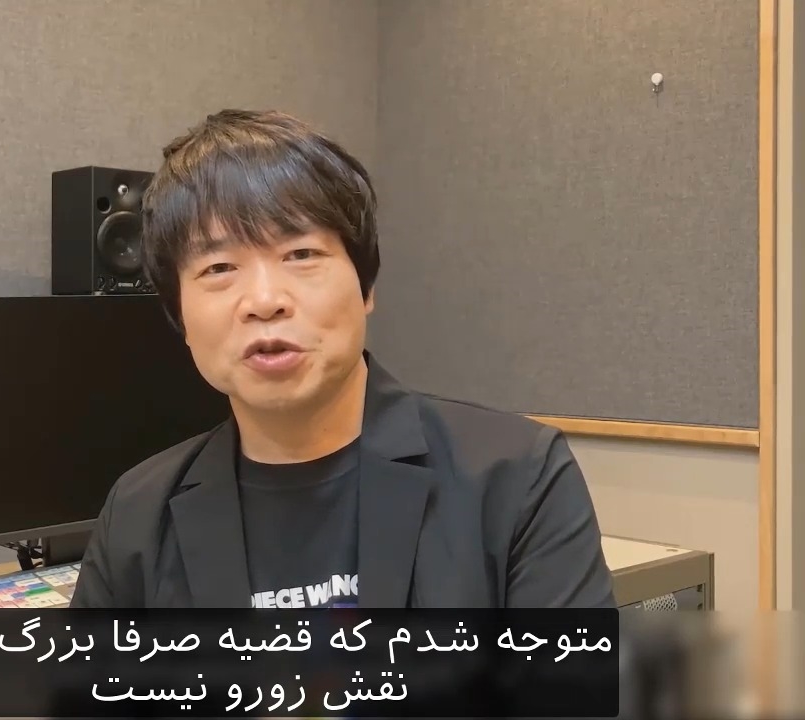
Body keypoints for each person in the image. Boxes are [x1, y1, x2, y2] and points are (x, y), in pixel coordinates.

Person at [69, 109, 615, 609]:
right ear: (179, 316)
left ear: (365, 285)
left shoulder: (516, 478)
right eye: (218, 268)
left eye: (301, 254)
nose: (264, 300)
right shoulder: (137, 515)